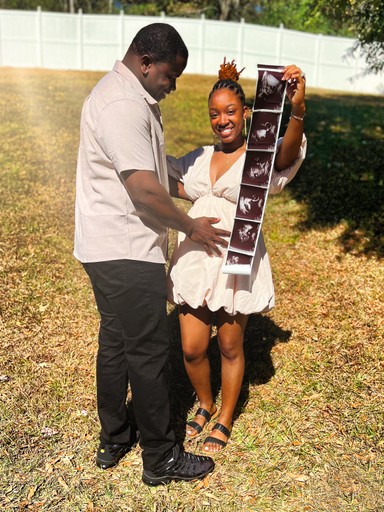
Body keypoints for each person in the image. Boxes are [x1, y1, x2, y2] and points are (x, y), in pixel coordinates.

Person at [74, 23, 231, 486]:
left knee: (116, 343)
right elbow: (144, 190)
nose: (173, 85)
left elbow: (152, 179)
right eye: (169, 74)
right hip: (124, 248)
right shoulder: (123, 103)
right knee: (147, 351)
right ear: (145, 63)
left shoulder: (117, 93)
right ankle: (161, 457)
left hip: (102, 245)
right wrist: (191, 227)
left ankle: (114, 437)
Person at [167, 59, 307, 452]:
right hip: (195, 260)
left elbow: (286, 157)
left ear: (246, 114)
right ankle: (206, 403)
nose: (222, 120)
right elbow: (162, 176)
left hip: (235, 258)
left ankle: (225, 417)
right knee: (193, 347)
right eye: (215, 113)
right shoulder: (196, 158)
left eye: (230, 111)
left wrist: (296, 109)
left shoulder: (258, 157)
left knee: (229, 345)